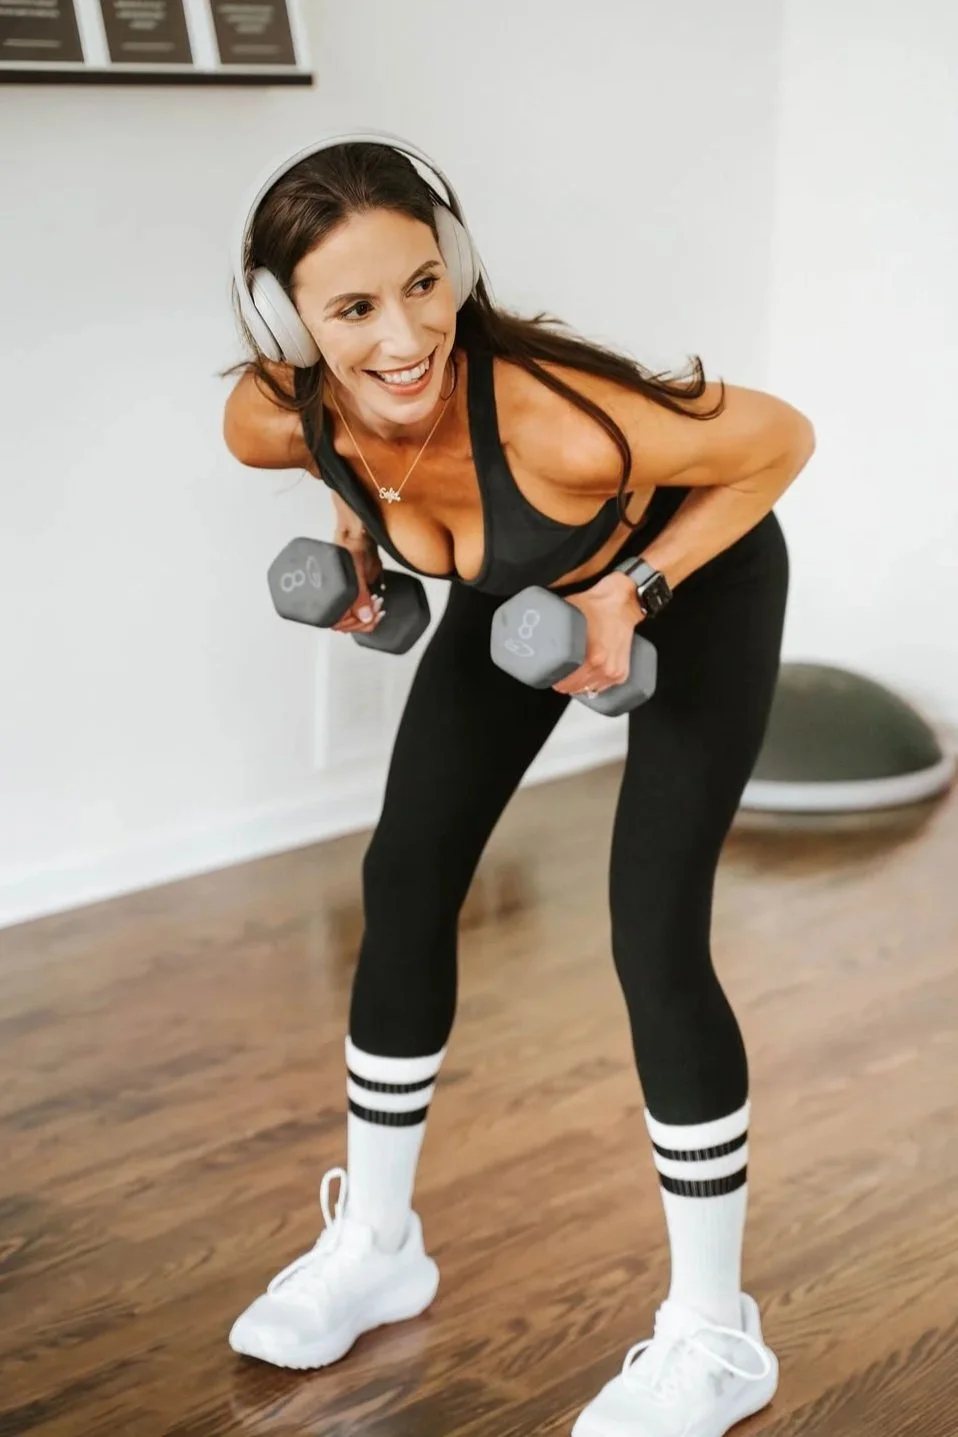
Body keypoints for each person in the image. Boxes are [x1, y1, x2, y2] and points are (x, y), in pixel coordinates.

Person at [221, 130, 814, 1437]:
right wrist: (356, 535)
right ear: (290, 321)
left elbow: (780, 439)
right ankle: (379, 1246)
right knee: (403, 872)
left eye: (423, 284)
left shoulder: (554, 420)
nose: (403, 335)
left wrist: (633, 587)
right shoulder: (275, 419)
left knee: (652, 926)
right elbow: (350, 457)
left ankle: (715, 1336)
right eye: (354, 309)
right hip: (520, 594)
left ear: (458, 265)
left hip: (695, 585)